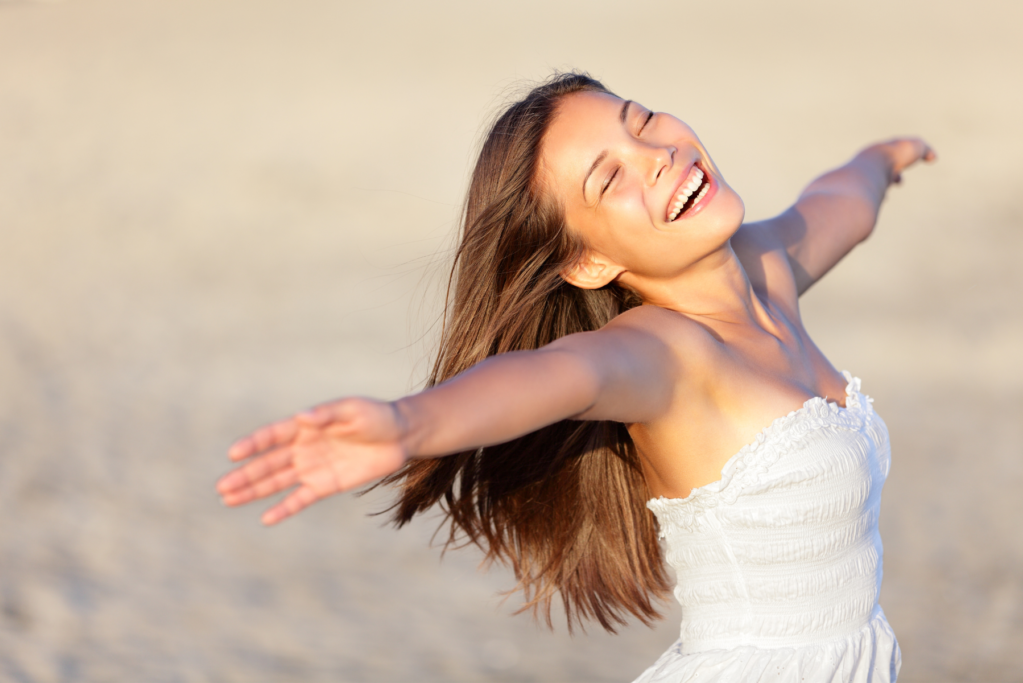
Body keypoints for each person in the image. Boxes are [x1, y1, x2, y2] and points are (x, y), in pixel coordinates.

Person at [216, 72, 934, 682]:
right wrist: (410, 424)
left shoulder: (769, 266)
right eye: (610, 175)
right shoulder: (660, 355)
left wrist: (884, 155)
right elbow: (552, 374)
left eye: (642, 121)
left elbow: (844, 203)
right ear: (589, 263)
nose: (656, 153)